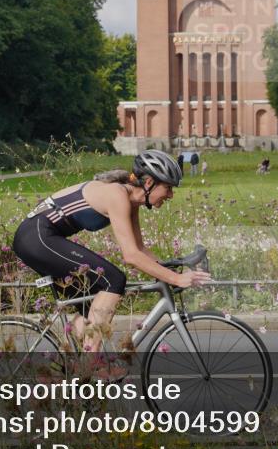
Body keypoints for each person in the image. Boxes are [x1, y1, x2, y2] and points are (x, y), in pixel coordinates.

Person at [12, 150, 210, 353]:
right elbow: (131, 256)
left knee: (93, 311)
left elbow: (140, 249)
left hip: (41, 237)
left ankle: (71, 364)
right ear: (149, 183)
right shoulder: (117, 195)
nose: (170, 195)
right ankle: (90, 366)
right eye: (168, 187)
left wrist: (172, 268)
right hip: (36, 237)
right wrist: (175, 279)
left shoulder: (131, 202)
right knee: (113, 280)